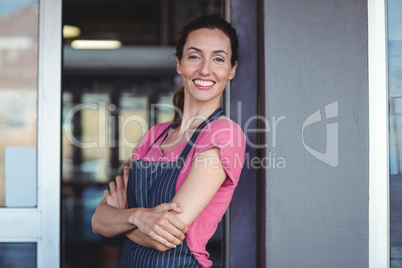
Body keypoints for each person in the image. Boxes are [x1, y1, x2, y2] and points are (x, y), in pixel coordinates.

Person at [92, 14, 246, 268]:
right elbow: (98, 221)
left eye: (218, 59)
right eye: (194, 56)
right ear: (179, 63)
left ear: (231, 70)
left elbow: (165, 237)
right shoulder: (154, 136)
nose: (205, 69)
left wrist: (121, 219)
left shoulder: (223, 134)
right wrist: (140, 217)